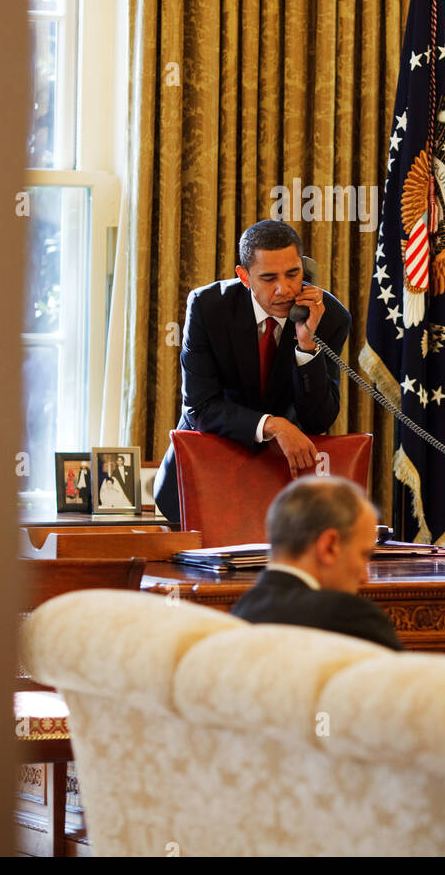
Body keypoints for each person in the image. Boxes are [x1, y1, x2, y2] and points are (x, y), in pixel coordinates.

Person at [154, 220, 351, 523]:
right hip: (202, 479)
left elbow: (318, 419)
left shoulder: (329, 317)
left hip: (279, 486)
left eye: (293, 274)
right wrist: (274, 425)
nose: (284, 289)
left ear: (305, 268)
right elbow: (200, 407)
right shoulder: (208, 307)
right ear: (244, 277)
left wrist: (307, 346)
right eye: (269, 278)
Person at [231, 477, 402, 651]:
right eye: (364, 555)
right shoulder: (349, 616)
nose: (366, 577)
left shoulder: (240, 613)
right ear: (329, 546)